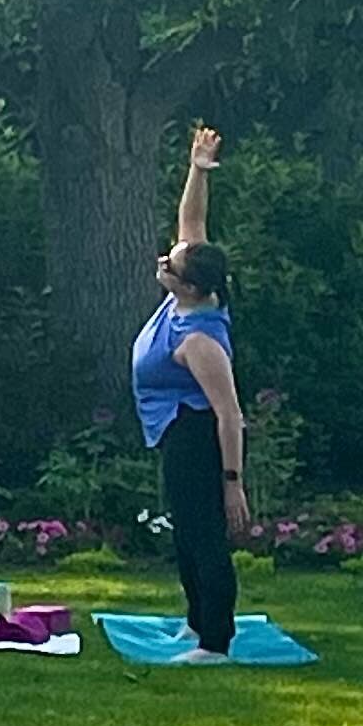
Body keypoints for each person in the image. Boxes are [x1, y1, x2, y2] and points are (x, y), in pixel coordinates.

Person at [136, 123, 249, 661]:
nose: (165, 260)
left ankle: (215, 641)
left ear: (190, 285)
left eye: (172, 265)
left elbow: (230, 415)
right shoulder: (192, 289)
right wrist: (197, 170)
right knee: (186, 531)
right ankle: (195, 619)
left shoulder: (202, 338)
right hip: (175, 431)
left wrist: (233, 483)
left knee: (205, 535)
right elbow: (193, 222)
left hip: (197, 435)